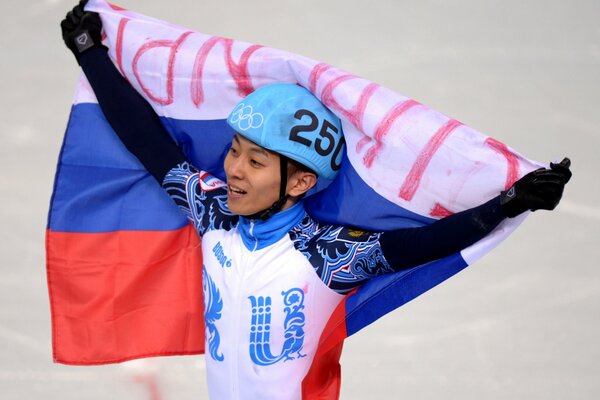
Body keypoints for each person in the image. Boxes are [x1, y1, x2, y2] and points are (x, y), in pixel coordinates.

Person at [60, 2, 571, 399]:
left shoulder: (328, 255)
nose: (233, 169)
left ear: (299, 183)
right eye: (234, 152)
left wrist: (509, 202)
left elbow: (428, 243)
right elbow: (148, 142)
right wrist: (92, 54)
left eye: (256, 162)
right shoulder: (211, 211)